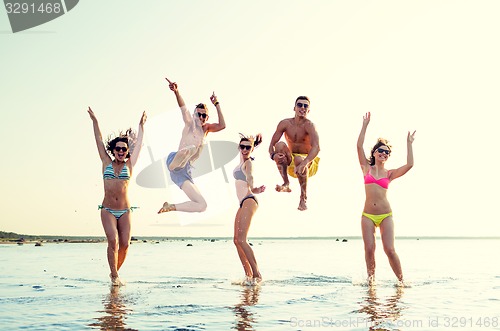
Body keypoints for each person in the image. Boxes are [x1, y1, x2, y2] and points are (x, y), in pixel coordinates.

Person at [88, 107, 147, 286]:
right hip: (107, 210)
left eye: (124, 149)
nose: (121, 151)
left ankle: (114, 273)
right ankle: (114, 277)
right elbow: (98, 140)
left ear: (127, 151)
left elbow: (140, 145)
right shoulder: (105, 161)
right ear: (113, 150)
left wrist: (142, 125)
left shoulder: (130, 164)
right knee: (112, 240)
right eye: (118, 149)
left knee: (125, 245)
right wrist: (95, 121)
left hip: (125, 210)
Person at [356, 112, 416, 284]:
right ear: (374, 153)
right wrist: (365, 125)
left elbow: (410, 164)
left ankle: (401, 282)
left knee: (389, 249)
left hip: (385, 215)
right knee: (369, 249)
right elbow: (358, 147)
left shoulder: (389, 174)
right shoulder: (366, 168)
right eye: (381, 150)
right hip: (367, 215)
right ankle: (371, 283)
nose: (383, 153)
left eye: (387, 152)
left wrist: (409, 143)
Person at [158, 78, 226, 213]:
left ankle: (170, 207)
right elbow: (183, 110)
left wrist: (217, 104)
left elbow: (222, 125)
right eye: (198, 114)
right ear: (194, 114)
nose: (200, 117)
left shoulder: (206, 129)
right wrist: (176, 92)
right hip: (176, 159)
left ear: (206, 118)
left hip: (184, 172)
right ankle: (174, 166)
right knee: (188, 151)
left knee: (202, 205)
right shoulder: (190, 124)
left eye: (203, 115)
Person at [268, 96, 320, 211]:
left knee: (299, 159)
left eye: (305, 106)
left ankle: (303, 197)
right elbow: (271, 145)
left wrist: (305, 162)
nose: (302, 107)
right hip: (291, 162)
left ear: (308, 110)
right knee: (280, 145)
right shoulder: (285, 123)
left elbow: (316, 148)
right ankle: (286, 183)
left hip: (308, 162)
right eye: (300, 105)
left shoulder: (309, 126)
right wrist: (273, 155)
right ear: (294, 108)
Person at [233, 134, 266, 284]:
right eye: (242, 146)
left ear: (251, 150)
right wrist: (255, 144)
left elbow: (250, 176)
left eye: (248, 147)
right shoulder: (241, 161)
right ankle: (248, 276)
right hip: (242, 202)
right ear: (239, 147)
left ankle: (257, 275)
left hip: (249, 200)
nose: (245, 150)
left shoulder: (248, 163)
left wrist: (254, 187)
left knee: (242, 239)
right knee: (236, 240)